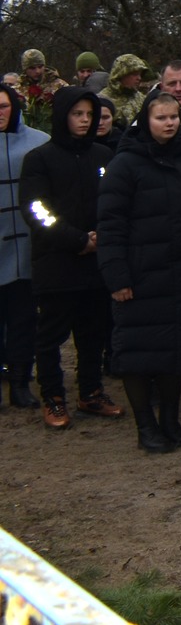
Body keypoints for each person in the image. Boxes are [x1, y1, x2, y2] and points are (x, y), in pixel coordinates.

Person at [97, 92, 181, 453]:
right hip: (140, 278)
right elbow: (110, 224)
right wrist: (117, 276)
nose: (169, 123)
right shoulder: (125, 165)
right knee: (136, 353)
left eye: (174, 117)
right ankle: (145, 425)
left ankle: (171, 422)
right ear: (146, 120)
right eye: (161, 117)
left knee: (176, 353)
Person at [20, 86, 120, 428]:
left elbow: (114, 202)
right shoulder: (39, 158)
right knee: (51, 337)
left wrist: (102, 237)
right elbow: (37, 210)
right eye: (77, 114)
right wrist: (77, 239)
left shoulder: (103, 157)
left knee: (93, 334)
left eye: (89, 115)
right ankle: (53, 397)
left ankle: (91, 392)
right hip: (57, 262)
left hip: (95, 264)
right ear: (63, 116)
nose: (84, 121)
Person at [2, 84, 49, 407]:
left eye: (4, 106)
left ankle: (20, 381)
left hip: (27, 245)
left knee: (23, 319)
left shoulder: (38, 142)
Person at [19, 51, 66, 133]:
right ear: (25, 69)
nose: (37, 71)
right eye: (32, 68)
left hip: (53, 133)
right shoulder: (17, 89)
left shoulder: (59, 86)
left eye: (40, 67)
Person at [104, 54, 151, 129]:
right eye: (135, 74)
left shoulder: (142, 99)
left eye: (140, 74)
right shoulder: (102, 100)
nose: (139, 78)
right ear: (121, 74)